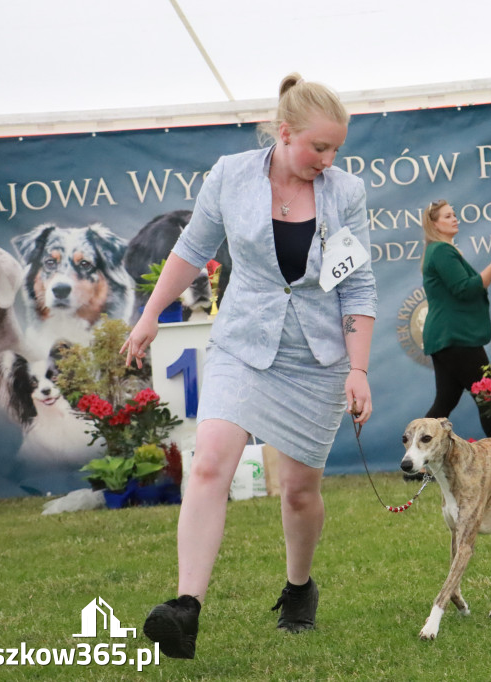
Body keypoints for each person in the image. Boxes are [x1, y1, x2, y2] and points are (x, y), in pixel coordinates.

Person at [120, 73, 376, 658]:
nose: (327, 159)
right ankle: (185, 609)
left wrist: (358, 370)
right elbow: (192, 251)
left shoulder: (346, 193)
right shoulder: (230, 174)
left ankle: (299, 588)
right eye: (318, 147)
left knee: (298, 491)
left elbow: (357, 286)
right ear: (284, 133)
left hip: (316, 359)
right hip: (243, 342)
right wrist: (151, 314)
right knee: (208, 463)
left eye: (336, 149)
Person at [420, 199, 491, 438]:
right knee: (489, 399)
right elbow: (465, 289)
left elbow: (468, 287)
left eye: (454, 214)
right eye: (447, 216)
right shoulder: (442, 251)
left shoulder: (441, 251)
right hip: (456, 337)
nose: (454, 218)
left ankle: (416, 463)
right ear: (434, 224)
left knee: (445, 402)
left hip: (448, 337)